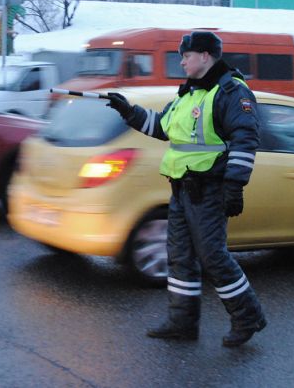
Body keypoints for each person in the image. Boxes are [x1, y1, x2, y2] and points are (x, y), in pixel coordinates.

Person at [105, 31, 267, 348]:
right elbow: (163, 127)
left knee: (213, 257)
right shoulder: (188, 94)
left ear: (205, 56)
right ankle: (182, 322)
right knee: (179, 258)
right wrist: (129, 112)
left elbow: (246, 137)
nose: (181, 61)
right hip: (181, 189)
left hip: (209, 190)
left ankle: (248, 317)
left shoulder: (231, 92)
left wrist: (234, 185)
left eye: (186, 56)